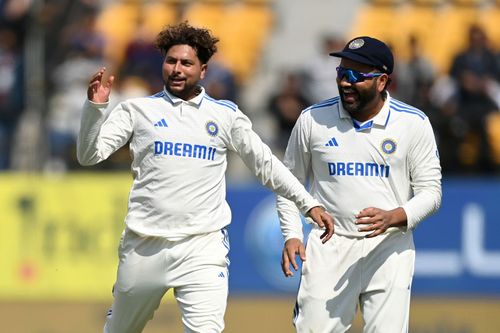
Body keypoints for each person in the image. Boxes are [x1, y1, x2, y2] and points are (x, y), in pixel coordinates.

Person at [77, 22, 334, 333]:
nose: (176, 69)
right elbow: (89, 155)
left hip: (202, 248)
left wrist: (307, 203)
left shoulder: (224, 116)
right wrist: (96, 107)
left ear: (203, 70)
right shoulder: (137, 110)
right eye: (171, 61)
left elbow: (267, 166)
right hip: (144, 245)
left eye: (186, 63)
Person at [277, 36, 442, 332]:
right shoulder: (313, 120)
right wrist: (291, 234)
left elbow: (431, 192)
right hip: (330, 246)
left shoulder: (413, 123)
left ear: (382, 81)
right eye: (341, 73)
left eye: (356, 76)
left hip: (389, 247)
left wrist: (395, 216)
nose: (345, 83)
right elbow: (289, 184)